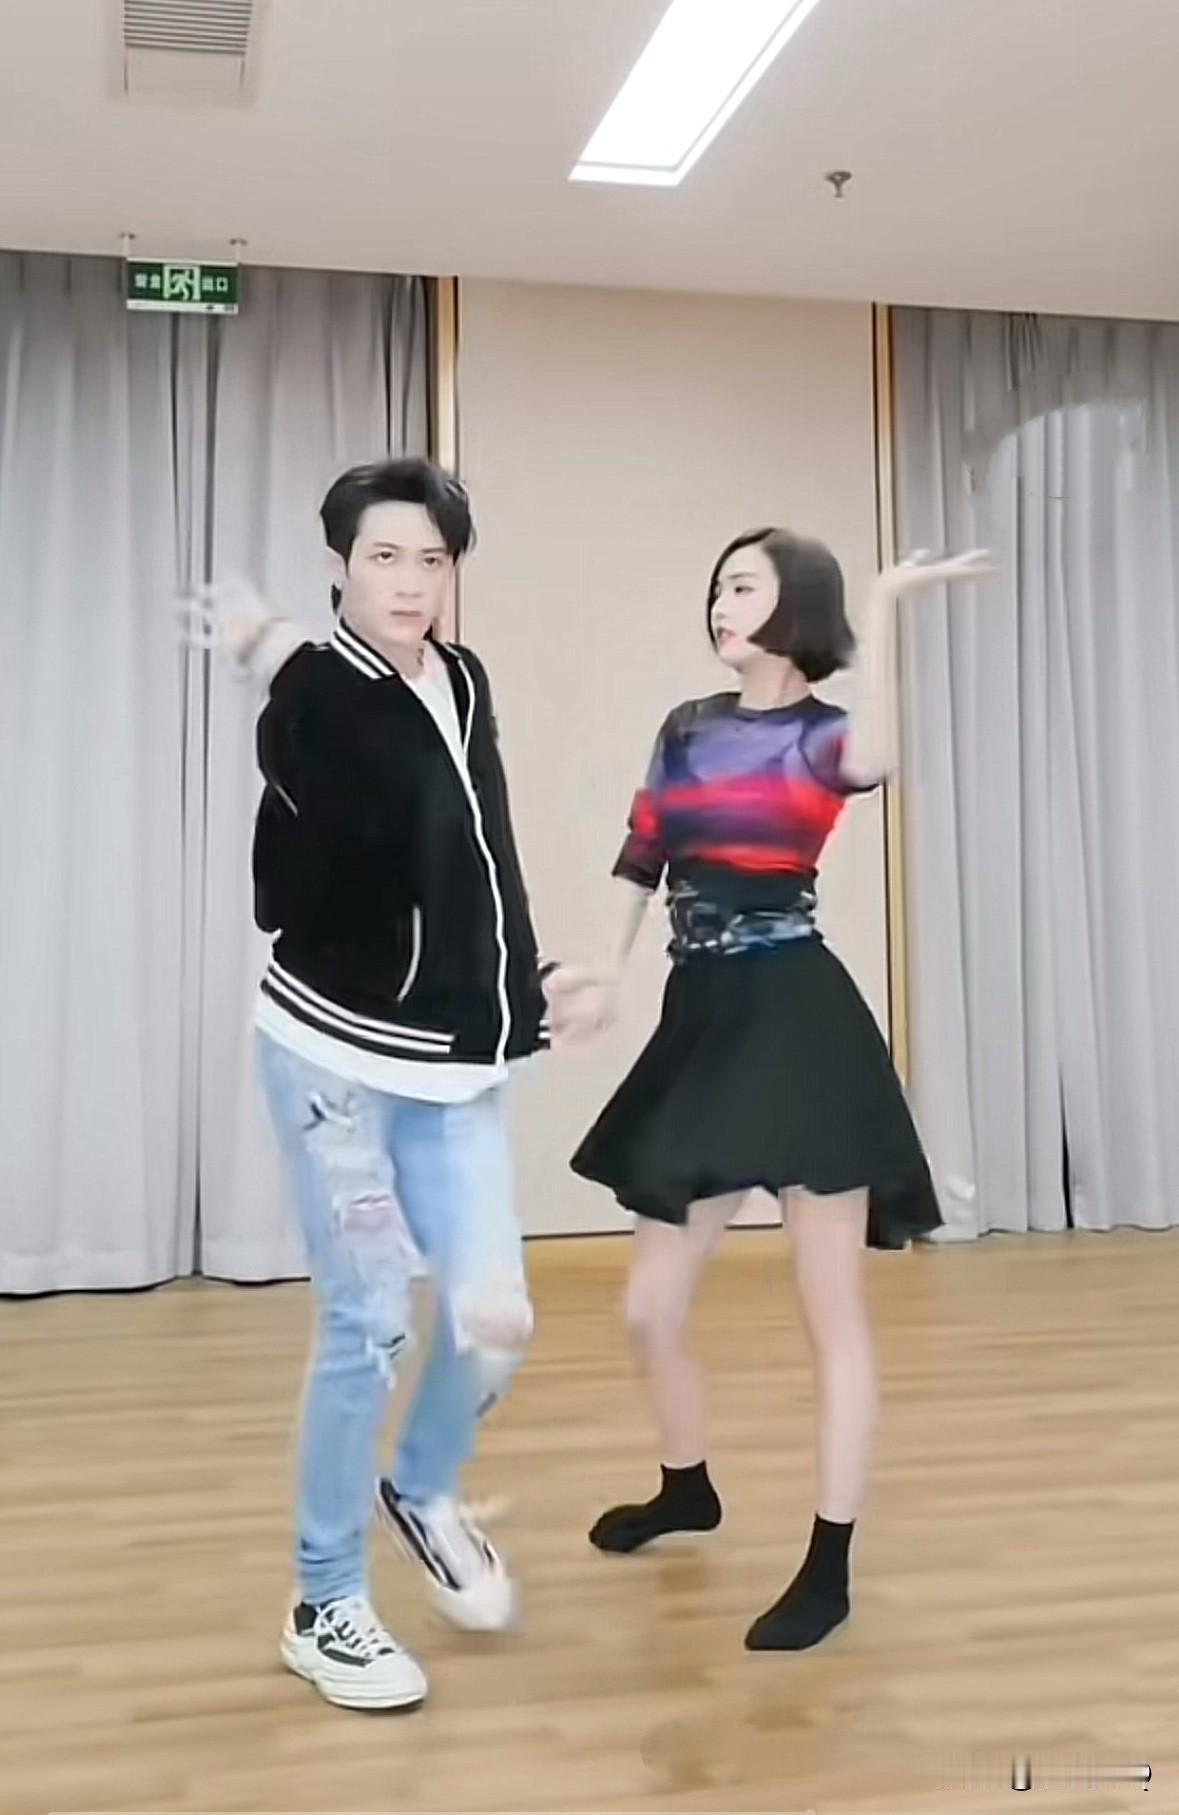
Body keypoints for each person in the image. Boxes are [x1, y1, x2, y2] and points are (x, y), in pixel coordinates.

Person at [546, 529, 989, 1653]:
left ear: (797, 604)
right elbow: (642, 853)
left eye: (743, 585)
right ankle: (686, 1487)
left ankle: (828, 1566)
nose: (720, 601)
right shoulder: (687, 726)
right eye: (716, 586)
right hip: (702, 1025)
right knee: (648, 1307)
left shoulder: (826, 735)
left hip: (800, 1025)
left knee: (828, 1312)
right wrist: (602, 968)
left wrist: (883, 604)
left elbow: (877, 757)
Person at [195, 457, 558, 1712]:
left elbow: (481, 853)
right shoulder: (313, 704)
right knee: (369, 1322)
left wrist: (520, 989)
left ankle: (424, 1486)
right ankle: (324, 1601)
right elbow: (321, 783)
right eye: (385, 556)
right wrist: (278, 658)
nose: (410, 581)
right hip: (332, 1063)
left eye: (432, 559)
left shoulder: (464, 679)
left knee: (495, 1321)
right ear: (342, 564)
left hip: (449, 1060)